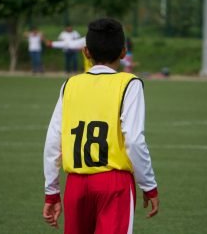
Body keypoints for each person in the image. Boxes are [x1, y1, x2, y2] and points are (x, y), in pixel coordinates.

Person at [43, 18, 159, 234]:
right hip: (113, 183)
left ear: (86, 52)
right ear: (123, 52)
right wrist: (149, 185)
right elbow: (133, 139)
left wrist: (51, 191)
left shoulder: (70, 84)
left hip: (75, 186)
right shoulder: (129, 84)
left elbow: (53, 141)